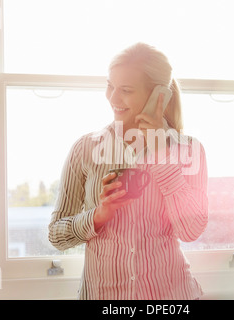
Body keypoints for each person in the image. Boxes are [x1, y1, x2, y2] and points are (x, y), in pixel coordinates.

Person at [48, 43, 208, 300]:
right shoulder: (86, 148)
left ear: (159, 95)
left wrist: (160, 154)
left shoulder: (189, 149)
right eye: (110, 86)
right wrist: (98, 217)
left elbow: (191, 230)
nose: (112, 98)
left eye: (126, 90)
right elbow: (56, 235)